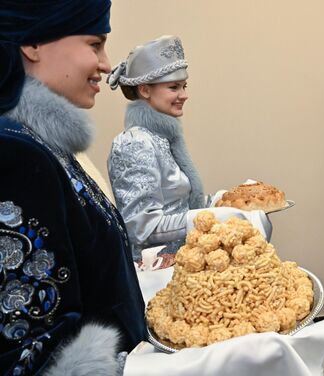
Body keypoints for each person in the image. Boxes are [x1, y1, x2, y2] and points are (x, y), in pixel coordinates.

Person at [0, 1, 146, 374]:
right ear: (32, 44)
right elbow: (34, 350)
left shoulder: (41, 143)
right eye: (94, 44)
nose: (107, 64)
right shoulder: (15, 152)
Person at [106, 35, 208, 267]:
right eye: (173, 87)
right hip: (155, 273)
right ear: (144, 90)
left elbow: (179, 205)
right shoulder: (133, 143)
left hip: (183, 264)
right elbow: (140, 227)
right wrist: (204, 219)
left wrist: (224, 202)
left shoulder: (162, 137)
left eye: (184, 86)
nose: (184, 95)